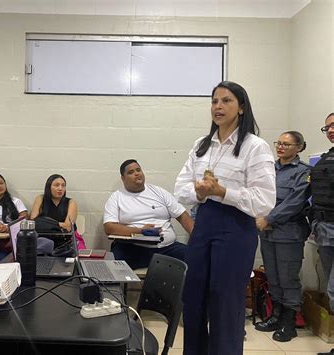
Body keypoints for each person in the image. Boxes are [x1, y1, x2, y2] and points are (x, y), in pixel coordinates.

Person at [174, 81, 276, 355]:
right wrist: (198, 192)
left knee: (225, 302)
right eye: (214, 101)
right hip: (203, 223)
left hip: (236, 228)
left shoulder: (255, 147)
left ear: (241, 108)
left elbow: (264, 200)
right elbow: (180, 188)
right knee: (193, 297)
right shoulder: (201, 145)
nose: (218, 106)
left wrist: (223, 192)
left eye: (226, 101)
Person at [254, 131, 311, 342]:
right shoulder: (268, 168)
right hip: (267, 232)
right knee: (273, 276)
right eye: (279, 143)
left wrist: (268, 219)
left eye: (287, 145)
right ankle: (275, 316)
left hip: (288, 233)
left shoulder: (303, 172)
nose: (281, 147)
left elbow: (294, 202)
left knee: (288, 278)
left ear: (299, 147)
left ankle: (290, 323)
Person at [104, 160, 194, 269]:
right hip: (134, 249)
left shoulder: (159, 192)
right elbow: (109, 228)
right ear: (123, 178)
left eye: (138, 170)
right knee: (114, 261)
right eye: (131, 172)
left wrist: (198, 240)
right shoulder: (116, 197)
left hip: (167, 248)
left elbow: (182, 215)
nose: (137, 173)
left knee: (196, 258)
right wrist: (141, 231)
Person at [312, 113, 334, 355]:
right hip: (325, 229)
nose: (330, 130)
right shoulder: (326, 158)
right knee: (331, 288)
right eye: (326, 127)